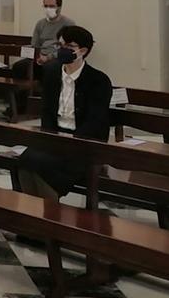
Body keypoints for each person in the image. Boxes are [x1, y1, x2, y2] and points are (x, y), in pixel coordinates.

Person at [17, 25, 112, 200]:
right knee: (25, 160)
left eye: (69, 46)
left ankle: (49, 211)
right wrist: (51, 138)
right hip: (56, 137)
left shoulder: (98, 80)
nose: (63, 50)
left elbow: (95, 121)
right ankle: (32, 209)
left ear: (83, 51)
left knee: (42, 164)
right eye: (60, 45)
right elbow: (47, 111)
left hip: (84, 142)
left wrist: (71, 142)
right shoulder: (52, 73)